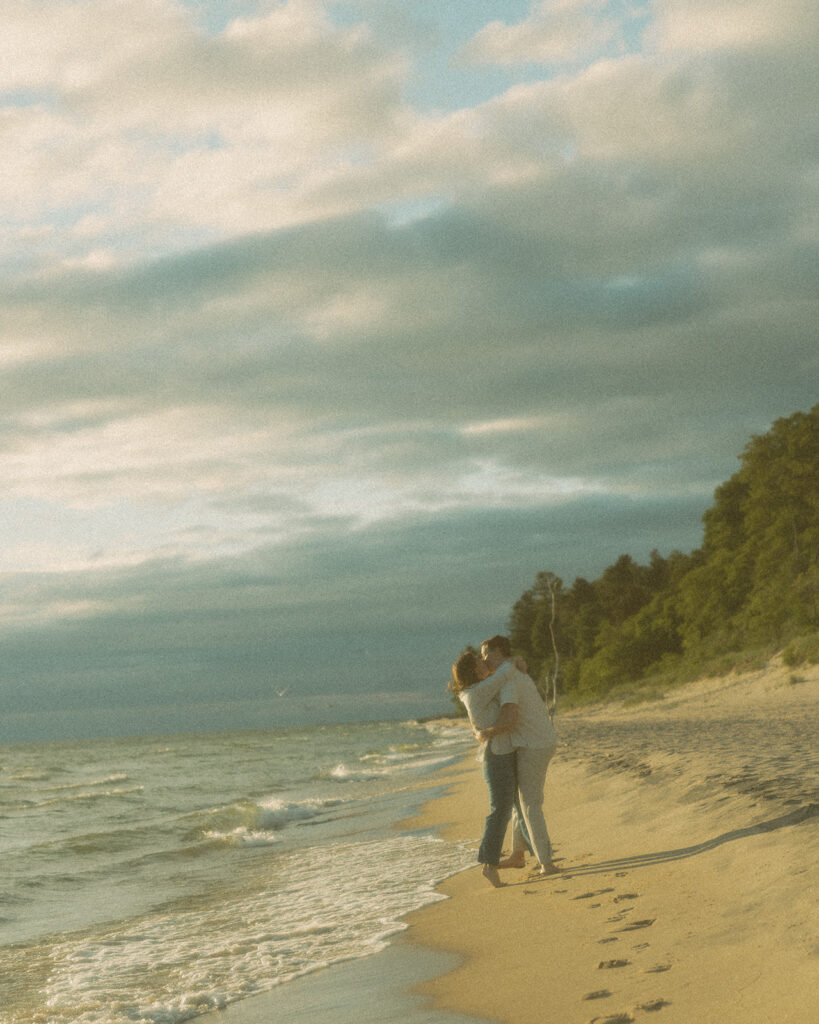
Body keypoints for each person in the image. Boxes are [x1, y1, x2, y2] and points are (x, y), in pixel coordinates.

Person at [450, 651, 532, 888]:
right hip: (495, 756)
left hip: (503, 752)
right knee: (501, 810)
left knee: (514, 806)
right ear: (474, 670)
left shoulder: (482, 688)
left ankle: (527, 853)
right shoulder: (474, 693)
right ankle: (488, 863)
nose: (484, 662)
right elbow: (505, 674)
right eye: (480, 660)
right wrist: (513, 659)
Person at [478, 634, 560, 876]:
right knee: (519, 802)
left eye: (486, 654)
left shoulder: (509, 677)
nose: (483, 659)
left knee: (530, 804)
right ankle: (518, 854)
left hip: (534, 745)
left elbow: (511, 716)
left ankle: (547, 863)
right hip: (537, 741)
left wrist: (485, 733)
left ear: (498, 651)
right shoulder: (509, 671)